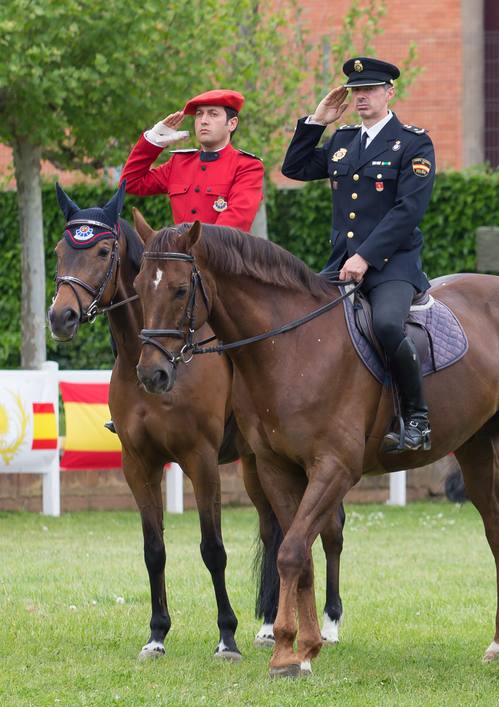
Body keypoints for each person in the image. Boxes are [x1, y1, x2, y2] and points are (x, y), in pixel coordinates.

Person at [281, 57, 437, 453]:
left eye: (369, 89)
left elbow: (408, 211)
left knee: (386, 326)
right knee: (301, 325)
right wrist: (317, 121)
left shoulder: (413, 142)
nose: (361, 96)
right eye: (356, 91)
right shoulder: (343, 140)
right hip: (342, 263)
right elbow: (294, 168)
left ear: (389, 92)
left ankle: (416, 419)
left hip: (392, 265)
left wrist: (366, 257)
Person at [121, 89, 264, 231]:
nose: (203, 121)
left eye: (213, 114)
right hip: (180, 252)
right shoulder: (180, 162)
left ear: (232, 124)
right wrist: (154, 140)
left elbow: (236, 221)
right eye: (199, 114)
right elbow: (130, 183)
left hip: (220, 252)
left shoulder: (247, 166)